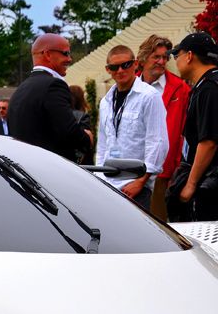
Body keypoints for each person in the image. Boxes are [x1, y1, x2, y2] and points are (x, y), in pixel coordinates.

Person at [94, 45, 167, 210]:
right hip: (108, 185)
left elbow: (157, 142)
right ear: (108, 69)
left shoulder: (149, 96)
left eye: (125, 65)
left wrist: (141, 181)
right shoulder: (105, 102)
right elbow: (103, 145)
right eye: (114, 67)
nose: (120, 70)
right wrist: (99, 180)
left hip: (135, 187)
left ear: (135, 64)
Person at [9, 33, 92, 162]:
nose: (70, 59)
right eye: (65, 53)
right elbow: (68, 131)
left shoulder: (21, 88)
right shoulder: (54, 86)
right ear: (48, 54)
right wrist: (87, 138)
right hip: (51, 171)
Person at [137, 35, 190, 219]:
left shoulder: (181, 89)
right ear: (143, 59)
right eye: (156, 57)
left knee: (160, 224)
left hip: (165, 171)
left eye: (165, 57)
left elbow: (185, 132)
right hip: (133, 169)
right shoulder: (129, 86)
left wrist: (177, 167)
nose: (162, 62)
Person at [167, 32, 218, 222]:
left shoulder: (209, 87)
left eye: (176, 55)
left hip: (209, 184)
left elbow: (209, 141)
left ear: (189, 56)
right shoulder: (205, 84)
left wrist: (190, 184)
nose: (175, 60)